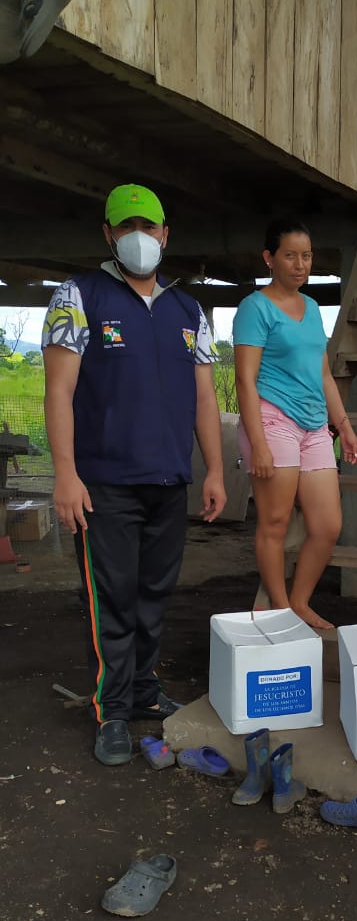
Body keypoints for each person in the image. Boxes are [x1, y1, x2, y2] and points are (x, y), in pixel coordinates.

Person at [42, 183, 226, 766]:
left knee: (153, 595)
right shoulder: (79, 296)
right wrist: (65, 475)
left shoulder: (187, 309)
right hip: (104, 484)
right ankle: (113, 710)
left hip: (169, 480)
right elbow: (59, 391)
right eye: (127, 227)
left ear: (166, 234)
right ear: (108, 234)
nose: (139, 237)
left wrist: (215, 471)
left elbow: (204, 398)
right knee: (113, 600)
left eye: (148, 226)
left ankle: (144, 689)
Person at [233, 219, 357, 630]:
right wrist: (258, 443)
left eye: (306, 256)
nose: (300, 264)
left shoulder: (312, 308)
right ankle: (280, 609)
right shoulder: (255, 308)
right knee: (275, 521)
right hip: (272, 420)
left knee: (327, 525)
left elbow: (323, 374)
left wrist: (344, 426)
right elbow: (245, 380)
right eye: (290, 255)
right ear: (269, 258)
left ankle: (299, 603)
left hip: (314, 425)